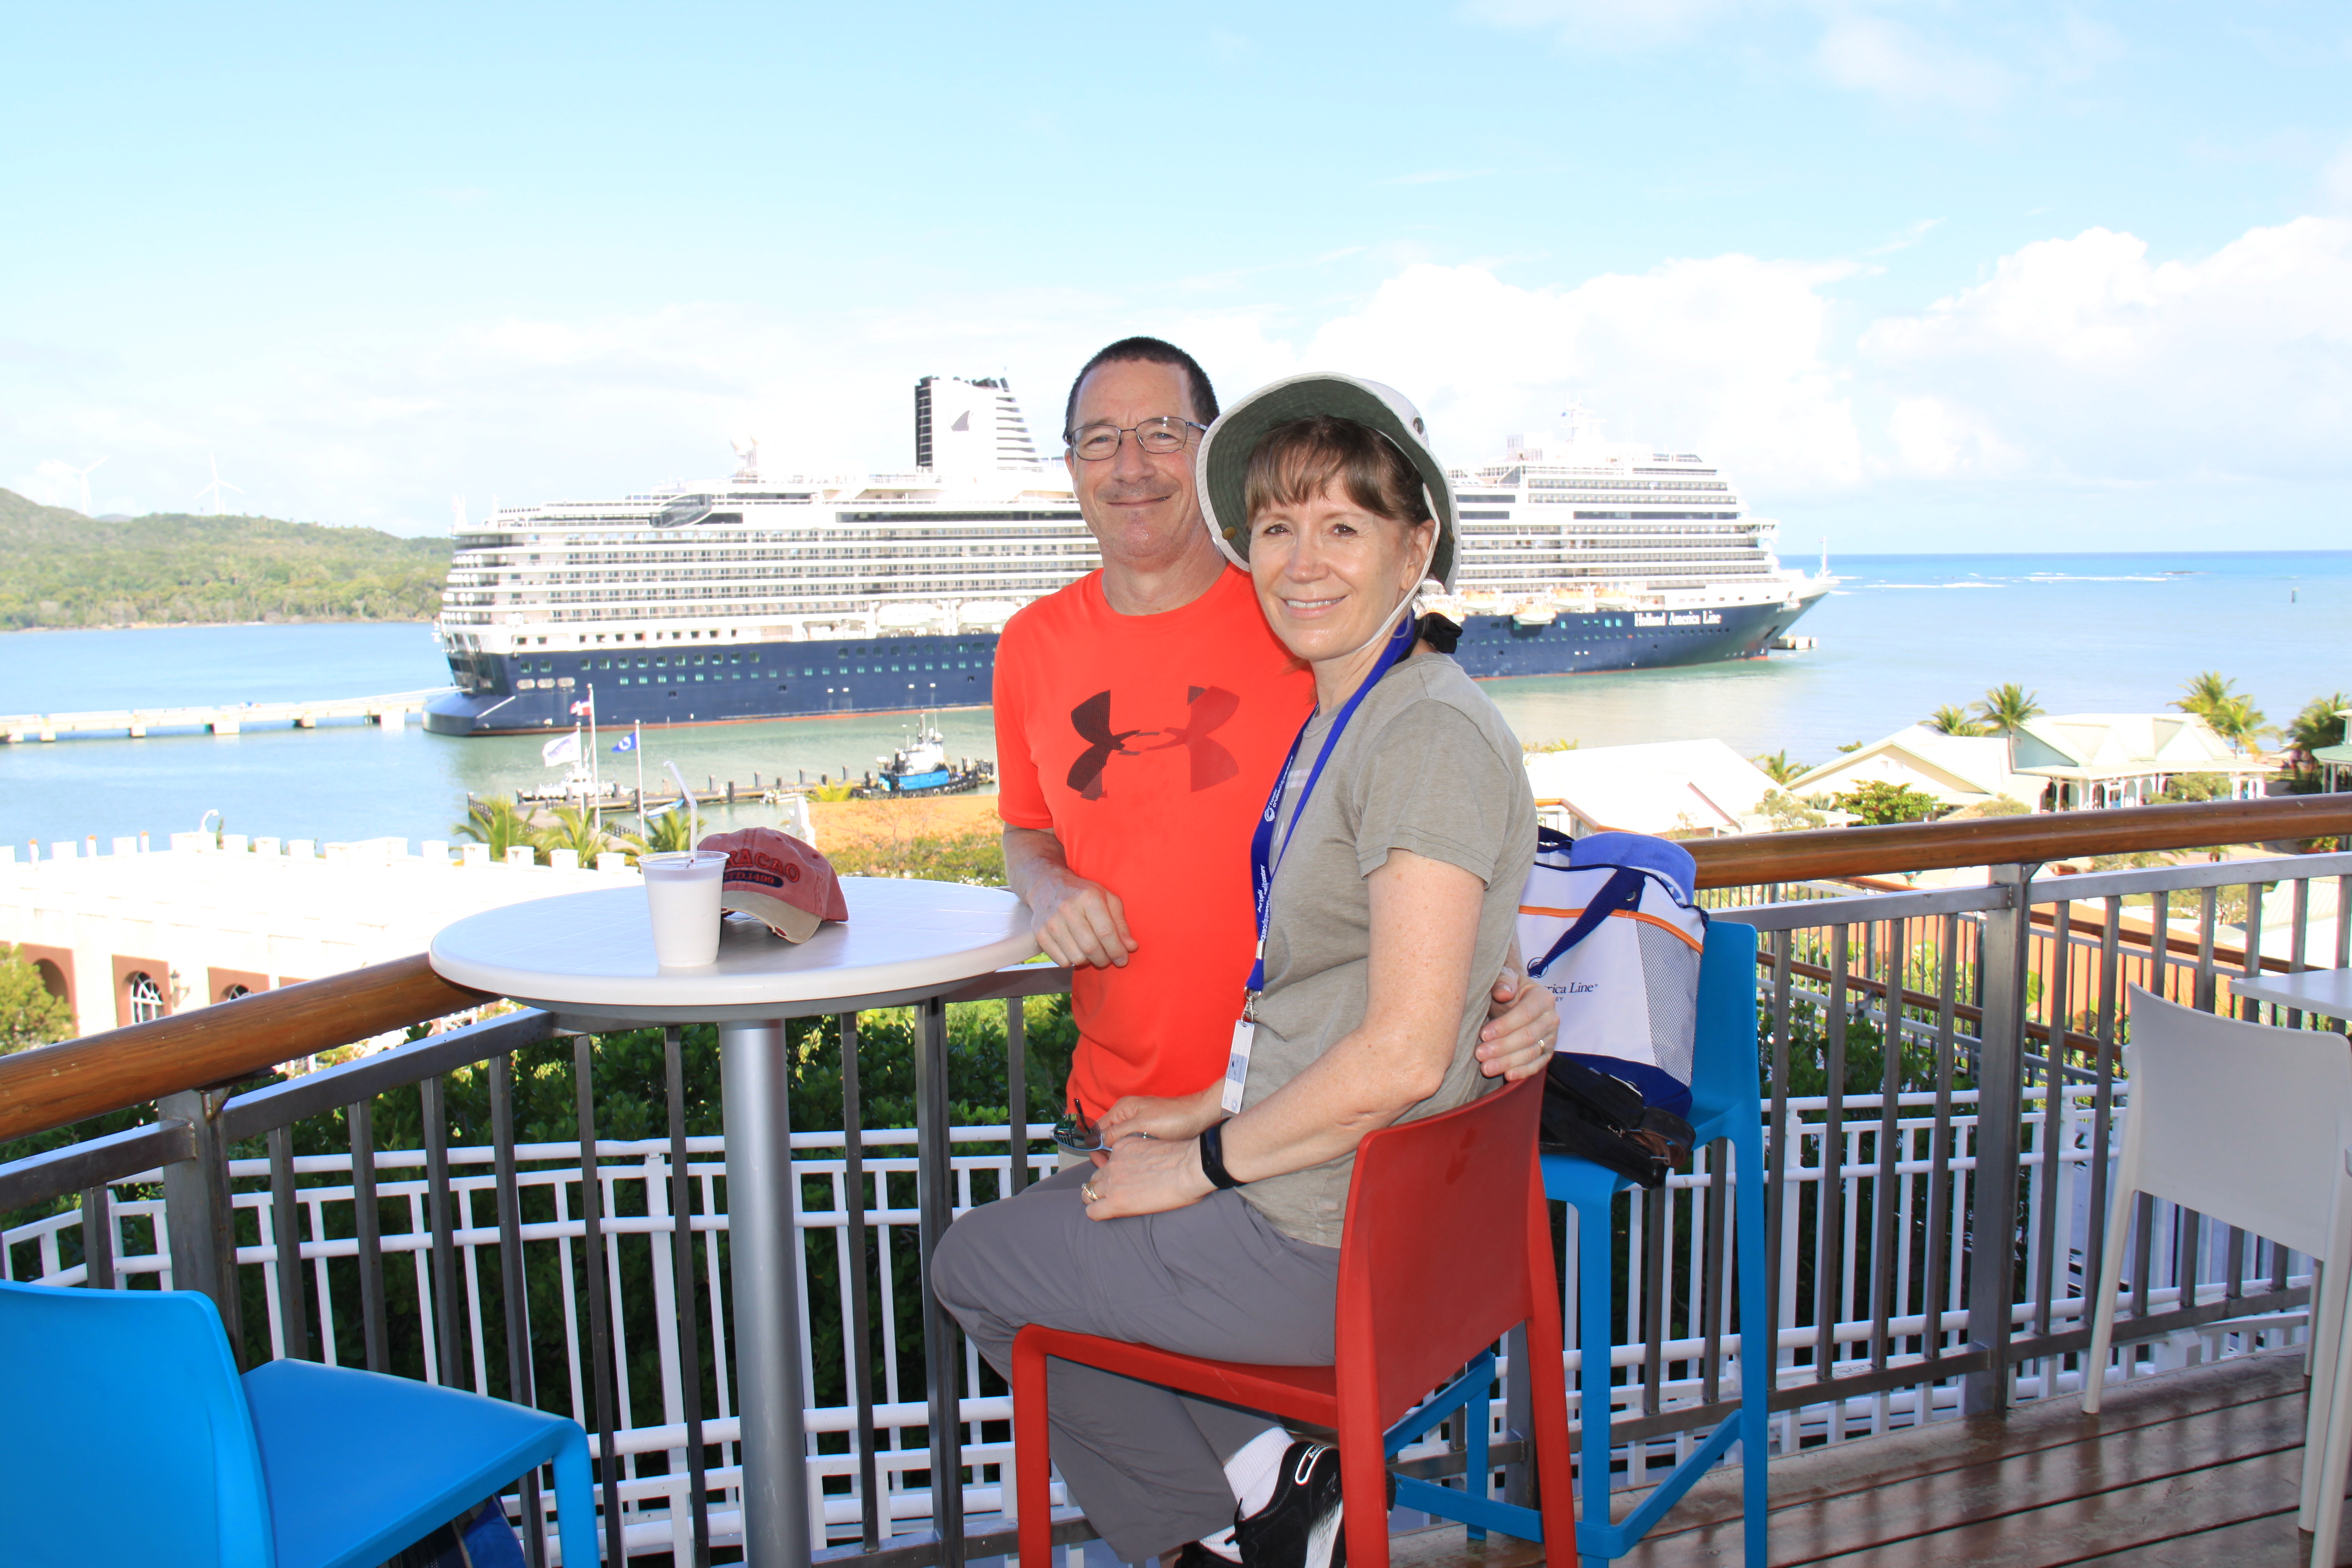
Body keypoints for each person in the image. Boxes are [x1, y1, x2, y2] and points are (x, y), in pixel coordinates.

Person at [937, 374, 1540, 1568]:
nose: (1302, 564)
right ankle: (1271, 1489)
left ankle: (1223, 1528)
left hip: (1323, 1222)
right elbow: (1370, 963)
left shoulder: (1417, 728)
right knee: (1079, 1217)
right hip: (1347, 1194)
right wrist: (1201, 1113)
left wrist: (1202, 1161)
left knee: (976, 1266)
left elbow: (1401, 1050)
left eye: (1342, 528)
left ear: (1415, 545)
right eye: (1275, 528)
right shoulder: (1350, 714)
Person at [993, 337, 1554, 1127]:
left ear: (1211, 453)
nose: (1130, 465)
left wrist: (1506, 982)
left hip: (1306, 1120)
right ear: (1070, 464)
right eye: (1100, 439)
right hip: (1114, 1116)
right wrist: (1046, 884)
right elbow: (1026, 828)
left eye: (1162, 433)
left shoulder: (1309, 617)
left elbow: (1441, 804)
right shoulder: (1030, 645)